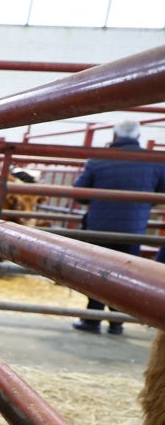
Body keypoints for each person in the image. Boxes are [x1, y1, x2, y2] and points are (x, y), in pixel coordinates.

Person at [72, 120, 165, 334]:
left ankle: (92, 319)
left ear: (115, 135)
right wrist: (141, 203)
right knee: (126, 274)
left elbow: (79, 193)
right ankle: (117, 322)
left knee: (97, 273)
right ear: (138, 136)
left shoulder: (99, 159)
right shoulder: (155, 161)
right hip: (133, 230)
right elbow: (162, 192)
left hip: (100, 228)